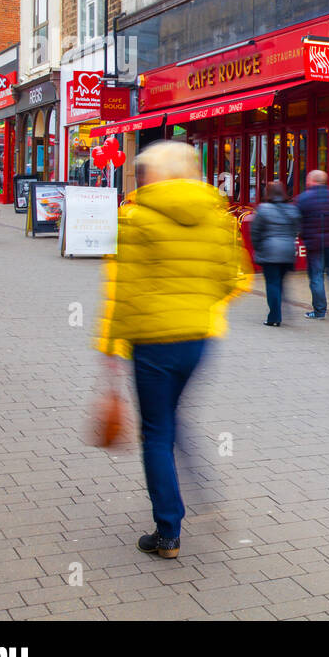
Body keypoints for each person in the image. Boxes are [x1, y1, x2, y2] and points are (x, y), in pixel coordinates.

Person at [94, 140, 249, 559]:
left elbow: (123, 290)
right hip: (200, 339)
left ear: (152, 176)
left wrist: (109, 346)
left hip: (152, 341)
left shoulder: (136, 217)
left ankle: (167, 531)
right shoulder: (217, 217)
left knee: (157, 432)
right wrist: (199, 302)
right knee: (171, 418)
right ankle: (198, 488)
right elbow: (236, 278)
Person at [249, 180, 300, 326]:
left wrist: (258, 248)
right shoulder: (292, 209)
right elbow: (296, 229)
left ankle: (274, 317)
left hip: (269, 252)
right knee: (280, 282)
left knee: (272, 283)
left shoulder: (263, 209)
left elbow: (255, 232)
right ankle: (283, 309)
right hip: (287, 251)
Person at [295, 169, 329, 319]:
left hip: (314, 243)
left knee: (316, 276)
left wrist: (302, 234)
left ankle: (319, 311)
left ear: (313, 181)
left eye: (309, 180)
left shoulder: (303, 198)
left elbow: (297, 219)